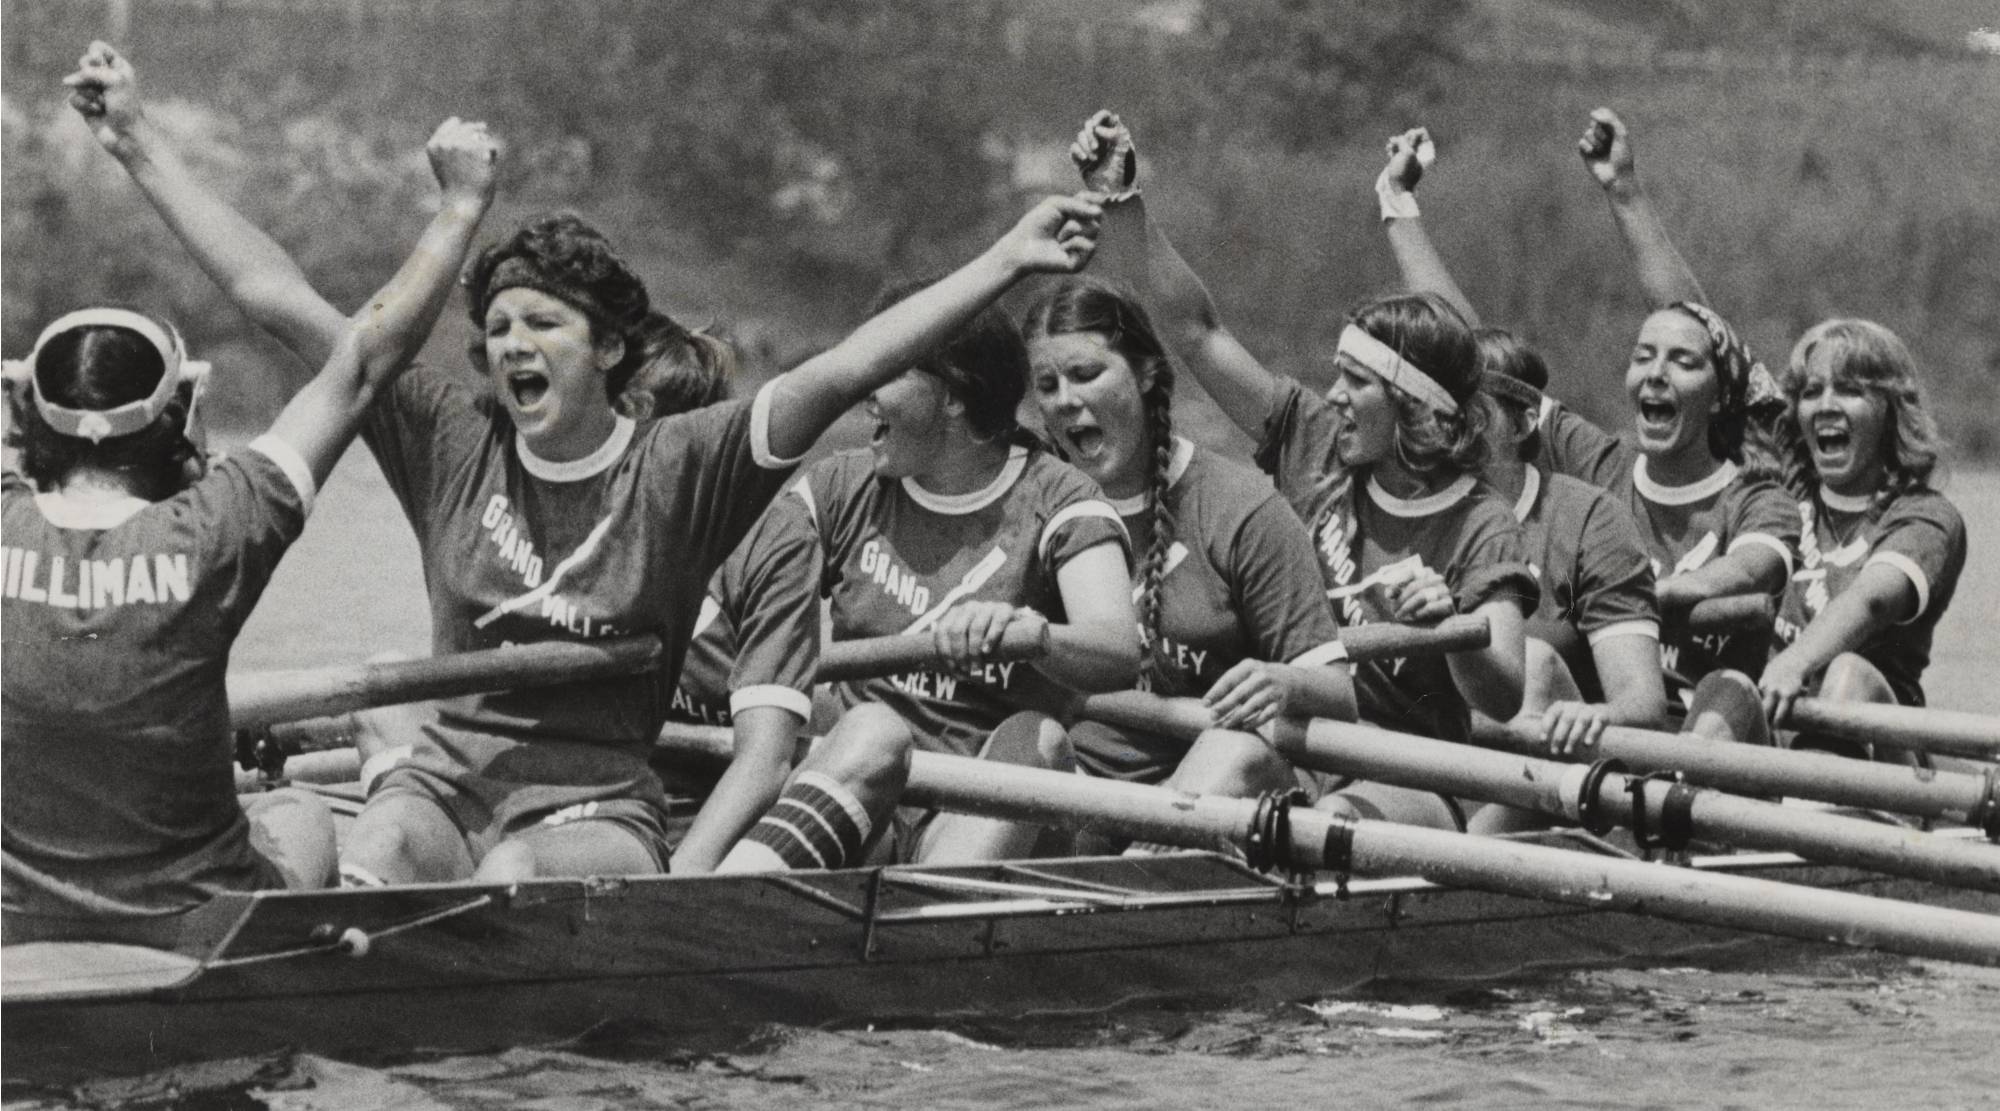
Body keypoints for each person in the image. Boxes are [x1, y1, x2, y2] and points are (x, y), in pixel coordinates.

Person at [83, 42, 1108, 883]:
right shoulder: (448, 436)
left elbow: (843, 368)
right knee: (381, 841)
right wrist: (135, 141)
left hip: (594, 815)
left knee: (515, 879)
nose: (513, 345)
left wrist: (1006, 261)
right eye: (497, 328)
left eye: (543, 323)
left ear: (609, 348)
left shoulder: (683, 464)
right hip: (439, 794)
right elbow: (278, 300)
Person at [2, 57, 499, 942]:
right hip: (190, 923)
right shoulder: (217, 527)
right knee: (303, 813)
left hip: (19, 923)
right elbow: (361, 361)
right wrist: (459, 208)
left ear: (28, 422)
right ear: (177, 428)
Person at [1069, 112, 1538, 831]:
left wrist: (1452, 626)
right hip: (1298, 748)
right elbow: (1197, 332)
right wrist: (1123, 202)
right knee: (1227, 756)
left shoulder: (1481, 522)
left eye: (1357, 383)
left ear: (1417, 408)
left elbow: (1504, 696)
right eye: (1336, 377)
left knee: (1330, 813)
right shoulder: (1316, 444)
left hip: (1409, 781)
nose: (1335, 397)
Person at [715, 276, 1139, 872]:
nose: (862, 389)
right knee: (865, 727)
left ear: (953, 395)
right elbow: (724, 584)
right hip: (864, 790)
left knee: (1037, 736)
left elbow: (1118, 649)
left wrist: (1030, 632)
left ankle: (918, 928)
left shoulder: (1061, 500)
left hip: (983, 812)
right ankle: (735, 896)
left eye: (885, 368)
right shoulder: (840, 486)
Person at [1370, 126, 1667, 766]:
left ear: (1524, 422)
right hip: (1441, 761)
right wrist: (1395, 204)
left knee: (1529, 663)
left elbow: (1644, 707)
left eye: (1470, 408)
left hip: (1564, 766)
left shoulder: (1585, 509)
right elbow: (1457, 339)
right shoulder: (1408, 503)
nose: (1450, 422)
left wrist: (1589, 717)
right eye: (1435, 404)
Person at [1021, 276, 1354, 797]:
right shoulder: (1029, 504)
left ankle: (1147, 861)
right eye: (1046, 386)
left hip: (1221, 785)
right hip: (1084, 786)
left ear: (1148, 372)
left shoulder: (1242, 510)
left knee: (1232, 751)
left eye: (1085, 374)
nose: (1065, 401)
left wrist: (1283, 682)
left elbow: (1339, 695)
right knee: (1027, 741)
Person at [1552, 108, 1801, 713]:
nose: (1657, 373)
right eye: (1643, 356)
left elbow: (1749, 571)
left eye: (1683, 365)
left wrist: (1649, 596)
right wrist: (1400, 211)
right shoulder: (1597, 466)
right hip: (1608, 735)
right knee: (1539, 658)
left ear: (1720, 395)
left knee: (1726, 692)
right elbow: (1478, 367)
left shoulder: (1760, 497)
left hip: (1715, 736)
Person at [1747, 320, 1964, 757]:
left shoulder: (1925, 516)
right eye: (1810, 392)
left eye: (1849, 390)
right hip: (1780, 743)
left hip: (1880, 757)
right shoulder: (1788, 488)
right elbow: (1708, 335)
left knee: (1846, 675)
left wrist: (1795, 661)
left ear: (1890, 410)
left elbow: (1871, 600)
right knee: (1727, 688)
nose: (1825, 405)